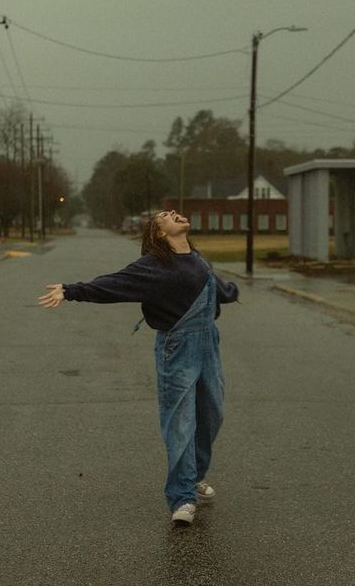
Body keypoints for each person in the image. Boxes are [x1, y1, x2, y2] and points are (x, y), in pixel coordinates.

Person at [38, 210, 239, 524]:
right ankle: (182, 497)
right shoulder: (155, 266)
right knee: (181, 423)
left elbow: (213, 287)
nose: (174, 214)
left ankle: (194, 476)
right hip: (178, 348)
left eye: (174, 212)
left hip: (208, 346)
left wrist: (230, 293)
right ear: (159, 234)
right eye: (165, 217)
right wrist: (70, 290)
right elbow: (113, 285)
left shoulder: (197, 258)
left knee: (212, 414)